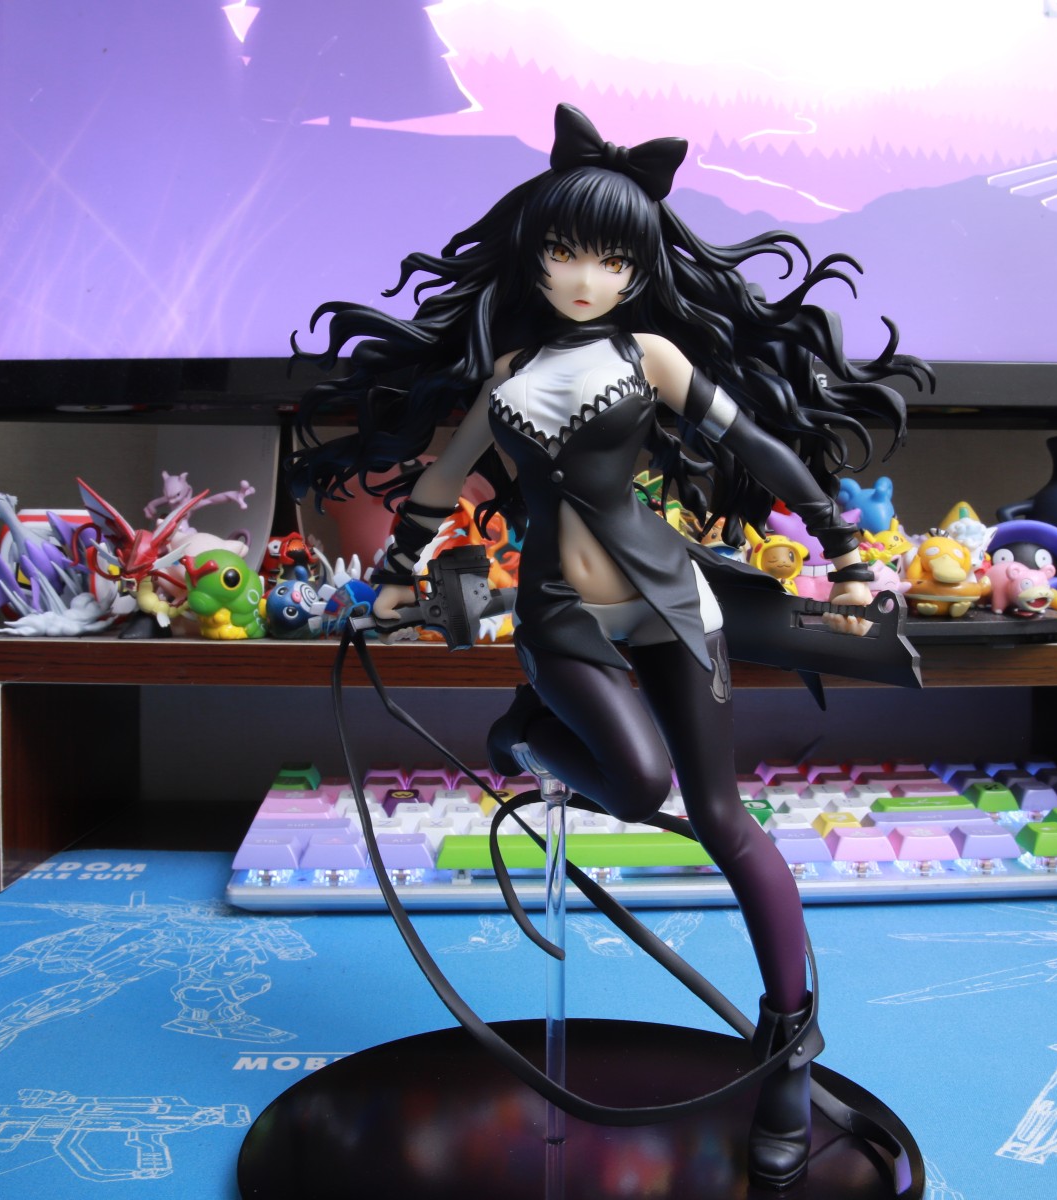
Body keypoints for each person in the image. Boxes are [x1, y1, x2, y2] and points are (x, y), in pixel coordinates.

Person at [290, 103, 928, 1188]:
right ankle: (524, 736)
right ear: (535, 256)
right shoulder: (505, 377)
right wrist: (394, 576)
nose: (586, 278)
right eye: (566, 253)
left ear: (638, 269)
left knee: (723, 818)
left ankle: (788, 1050)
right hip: (562, 615)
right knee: (636, 786)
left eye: (612, 260)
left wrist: (844, 544)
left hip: (672, 599)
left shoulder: (653, 357)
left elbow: (760, 445)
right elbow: (439, 488)